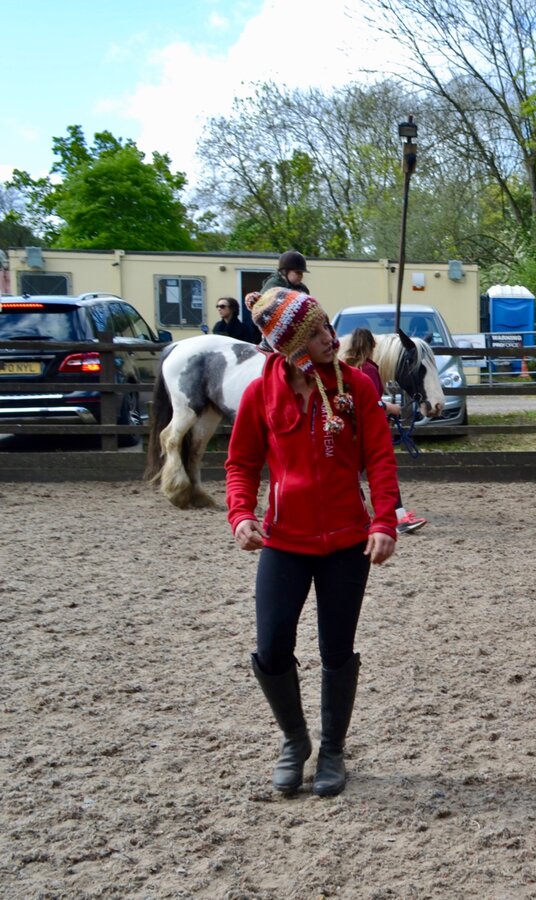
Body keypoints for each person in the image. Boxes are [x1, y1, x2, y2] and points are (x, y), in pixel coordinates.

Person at [227, 287, 399, 798]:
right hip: (283, 541)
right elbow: (241, 464)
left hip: (348, 542)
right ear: (293, 345)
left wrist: (383, 521)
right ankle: (294, 741)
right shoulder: (261, 394)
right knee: (272, 644)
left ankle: (332, 750)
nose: (333, 338)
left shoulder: (356, 389)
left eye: (328, 326)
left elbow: (381, 459)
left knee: (336, 648)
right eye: (319, 332)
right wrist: (241, 514)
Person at [340, 327, 429, 535]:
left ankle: (369, 516)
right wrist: (389, 408)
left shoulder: (347, 368)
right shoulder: (369, 369)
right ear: (373, 346)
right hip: (369, 431)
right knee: (382, 472)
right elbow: (369, 402)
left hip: (354, 430)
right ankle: (397, 518)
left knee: (354, 475)